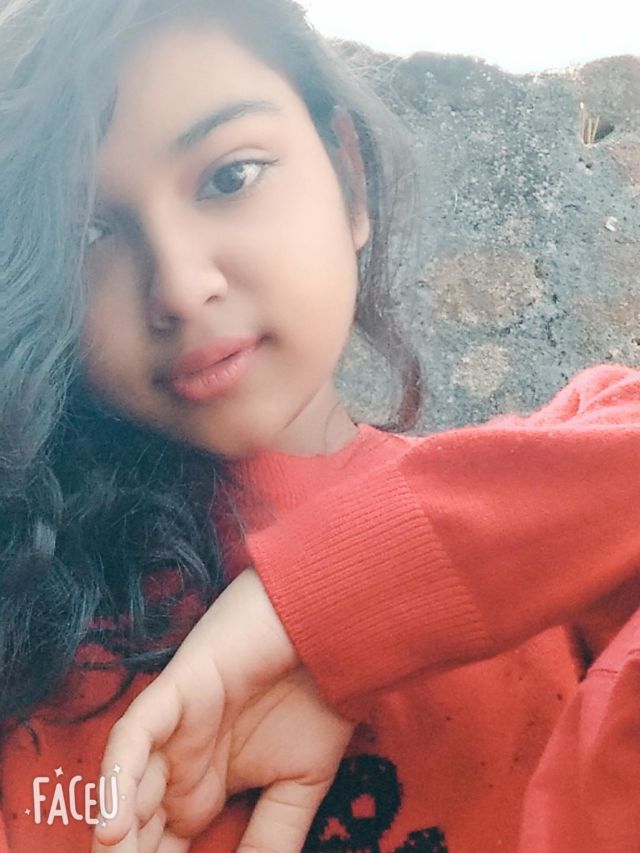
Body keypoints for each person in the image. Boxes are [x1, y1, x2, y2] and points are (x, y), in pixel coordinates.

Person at [1, 1, 640, 851]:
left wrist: (327, 606)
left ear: (349, 177)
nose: (180, 285)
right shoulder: (32, 613)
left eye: (231, 176)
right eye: (88, 231)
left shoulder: (562, 523)